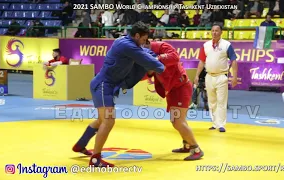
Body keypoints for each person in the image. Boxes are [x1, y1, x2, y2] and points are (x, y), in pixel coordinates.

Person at [72, 21, 165, 167]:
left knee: (101, 120)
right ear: (136, 35)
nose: (145, 42)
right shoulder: (127, 45)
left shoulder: (128, 43)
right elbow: (147, 59)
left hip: (106, 85)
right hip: (103, 85)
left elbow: (145, 53)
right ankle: (95, 159)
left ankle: (80, 145)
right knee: (108, 120)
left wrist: (156, 57)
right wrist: (163, 66)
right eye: (143, 39)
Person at [143, 40, 204, 160]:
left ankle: (196, 148)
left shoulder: (161, 46)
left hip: (180, 87)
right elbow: (146, 74)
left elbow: (175, 57)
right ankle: (187, 145)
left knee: (177, 121)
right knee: (177, 120)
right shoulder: (144, 54)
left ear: (145, 41)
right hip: (172, 89)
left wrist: (156, 59)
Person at [194, 24, 238, 132]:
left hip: (222, 76)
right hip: (209, 76)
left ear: (221, 32)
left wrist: (235, 76)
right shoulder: (206, 45)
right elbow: (201, 61)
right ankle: (215, 123)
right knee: (212, 101)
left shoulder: (227, 45)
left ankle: (221, 124)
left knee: (221, 101)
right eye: (212, 30)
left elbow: (233, 60)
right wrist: (196, 75)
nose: (214, 33)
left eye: (217, 31)